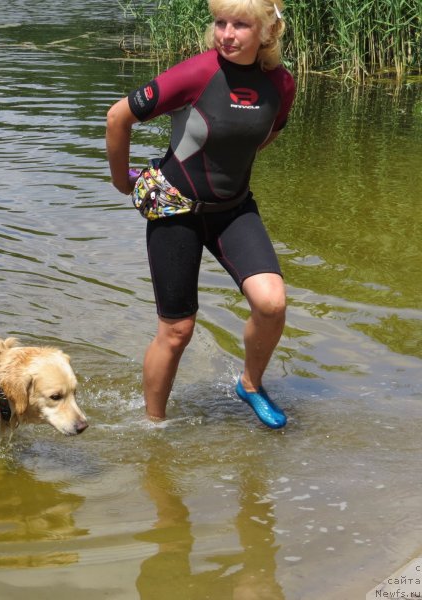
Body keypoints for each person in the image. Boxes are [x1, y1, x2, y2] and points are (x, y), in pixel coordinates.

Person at [105, 0, 295, 429]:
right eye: (220, 22)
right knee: (177, 331)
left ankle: (249, 384)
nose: (226, 33)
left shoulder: (282, 84)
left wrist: (225, 176)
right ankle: (154, 428)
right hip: (175, 210)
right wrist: (123, 181)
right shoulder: (196, 73)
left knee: (272, 304)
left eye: (240, 25)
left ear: (266, 30)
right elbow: (118, 116)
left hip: (233, 210)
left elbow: (267, 134)